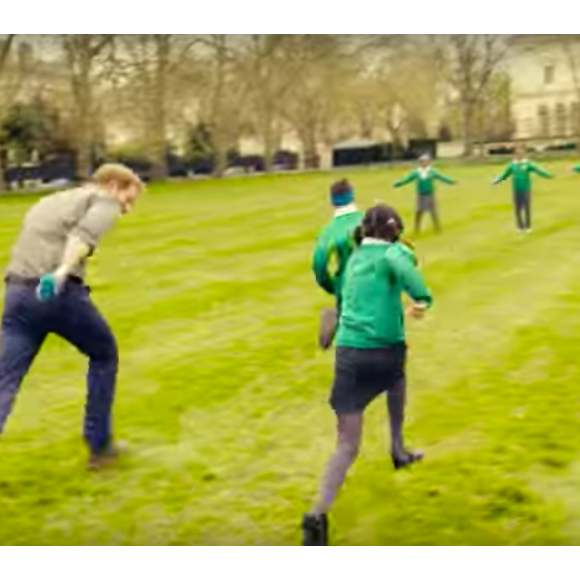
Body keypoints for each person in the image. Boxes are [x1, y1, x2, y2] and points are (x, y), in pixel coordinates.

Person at [302, 204, 434, 547]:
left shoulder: (352, 261)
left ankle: (316, 515)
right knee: (396, 381)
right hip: (384, 350)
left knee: (346, 445)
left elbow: (342, 298)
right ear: (393, 230)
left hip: (348, 355)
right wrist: (422, 300)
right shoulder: (392, 254)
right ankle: (397, 448)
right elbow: (411, 276)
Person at [0, 163, 145, 470]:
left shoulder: (51, 201)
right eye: (128, 200)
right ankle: (100, 449)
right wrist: (63, 272)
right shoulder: (103, 201)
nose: (127, 209)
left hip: (16, 295)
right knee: (105, 354)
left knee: (4, 381)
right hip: (55, 293)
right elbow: (81, 238)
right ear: (114, 186)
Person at [312, 179, 364, 350]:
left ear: (332, 201)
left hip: (346, 285)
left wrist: (332, 286)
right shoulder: (370, 220)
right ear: (352, 196)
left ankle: (334, 316)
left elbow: (319, 264)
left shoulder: (330, 230)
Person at [492, 145, 553, 233]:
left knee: (527, 208)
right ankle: (520, 227)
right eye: (517, 154)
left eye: (521, 154)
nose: (519, 155)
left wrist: (549, 175)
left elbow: (538, 170)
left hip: (526, 189)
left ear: (524, 154)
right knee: (517, 209)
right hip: (516, 189)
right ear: (515, 155)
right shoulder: (512, 165)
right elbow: (504, 175)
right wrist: (496, 181)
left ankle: (528, 227)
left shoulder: (528, 164)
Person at [393, 154, 457, 234]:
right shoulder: (416, 172)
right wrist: (398, 183)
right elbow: (407, 179)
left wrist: (451, 181)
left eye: (425, 162)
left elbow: (442, 177)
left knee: (433, 211)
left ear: (428, 162)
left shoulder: (432, 171)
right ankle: (417, 228)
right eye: (422, 162)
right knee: (419, 211)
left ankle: (437, 228)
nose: (423, 163)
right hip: (421, 194)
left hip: (430, 194)